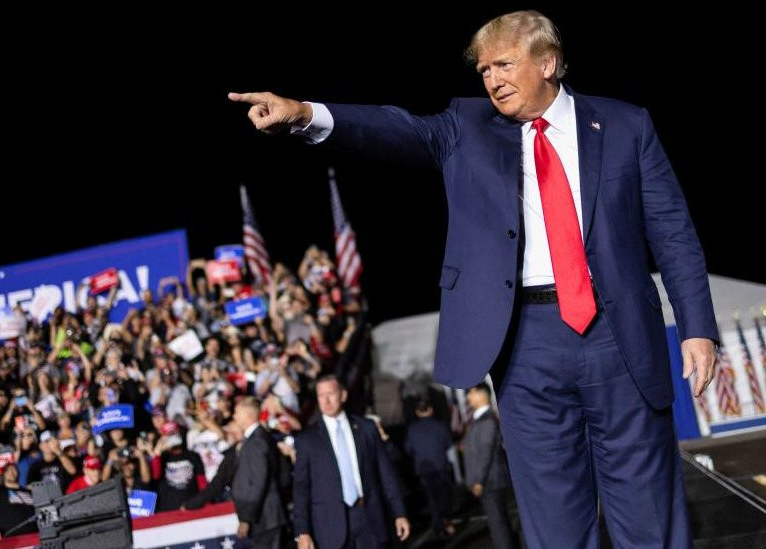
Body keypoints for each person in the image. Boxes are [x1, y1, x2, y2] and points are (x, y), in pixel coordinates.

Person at [230, 10, 717, 548]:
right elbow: (394, 127)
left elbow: (673, 233)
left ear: (549, 62)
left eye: (504, 64)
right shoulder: (466, 128)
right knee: (553, 519)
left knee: (648, 510)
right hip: (524, 344)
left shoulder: (626, 125)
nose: (492, 79)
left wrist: (697, 327)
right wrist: (303, 113)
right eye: (484, 69)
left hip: (618, 334)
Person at [292, 375, 409, 549]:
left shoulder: (367, 428)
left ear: (343, 395)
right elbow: (302, 486)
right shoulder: (307, 440)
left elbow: (386, 473)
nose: (326, 400)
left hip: (369, 518)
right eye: (321, 395)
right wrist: (302, 531)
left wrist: (399, 512)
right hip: (329, 526)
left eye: (330, 393)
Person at [230, 396, 287, 548]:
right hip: (265, 518)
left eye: (237, 412)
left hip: (264, 518)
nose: (233, 416)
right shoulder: (258, 438)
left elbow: (257, 482)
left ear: (248, 415)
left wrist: (246, 518)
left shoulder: (257, 441)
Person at [463, 383, 514, 549]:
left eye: (471, 393)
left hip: (489, 481)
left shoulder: (486, 421)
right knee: (499, 522)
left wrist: (478, 481)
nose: (468, 397)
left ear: (481, 395)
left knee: (498, 525)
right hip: (490, 480)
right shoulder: (481, 420)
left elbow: (484, 454)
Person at [403, 399, 455, 540]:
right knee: (444, 495)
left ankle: (438, 525)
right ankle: (445, 521)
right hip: (440, 466)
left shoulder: (412, 429)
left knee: (432, 498)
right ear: (431, 410)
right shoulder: (441, 426)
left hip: (424, 468)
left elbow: (408, 449)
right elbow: (449, 444)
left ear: (417, 412)